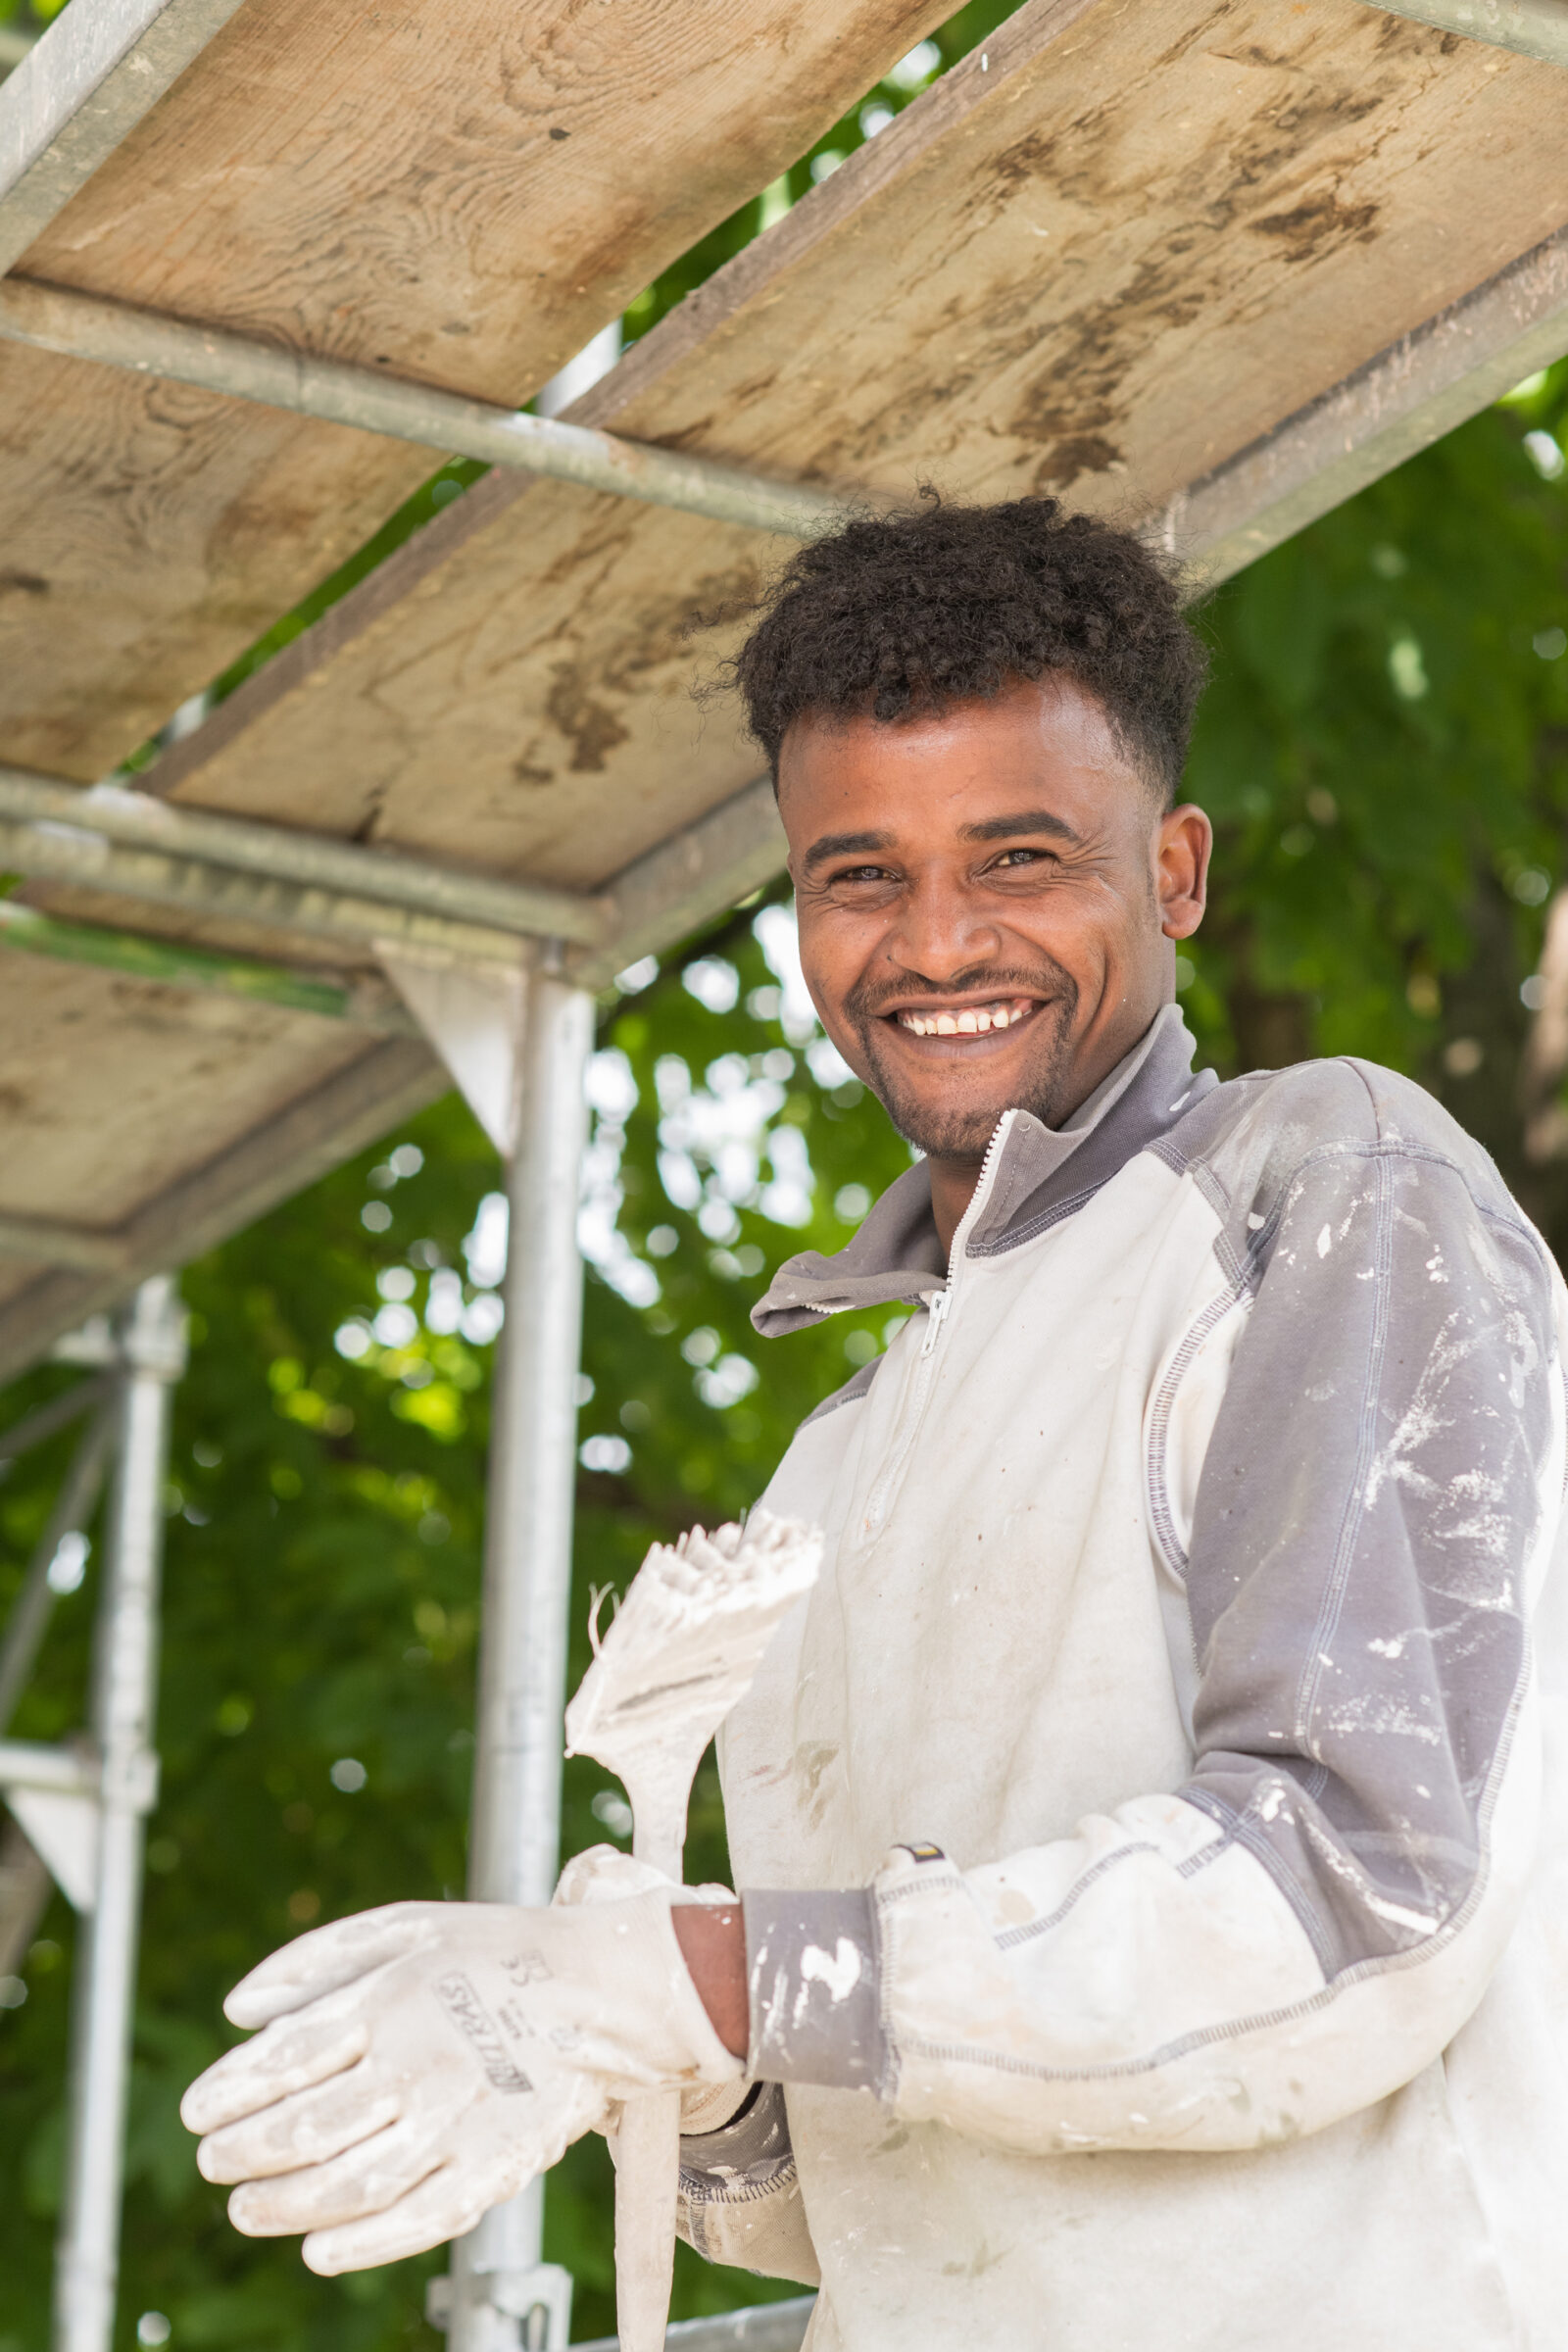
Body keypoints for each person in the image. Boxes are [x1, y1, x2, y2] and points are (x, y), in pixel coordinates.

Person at [183, 500, 1568, 2350]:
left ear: (1174, 870)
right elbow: (866, 2181)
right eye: (858, 875)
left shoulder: (1323, 1190)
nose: (935, 943)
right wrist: (680, 2077)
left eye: (1019, 856)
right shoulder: (842, 1449)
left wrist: (719, 1974)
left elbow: (1355, 1902)